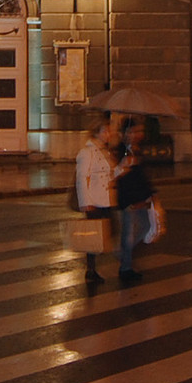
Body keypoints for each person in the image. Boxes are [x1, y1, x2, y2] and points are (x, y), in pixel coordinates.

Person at [73, 113, 120, 284]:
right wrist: (85, 202)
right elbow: (81, 178)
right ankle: (90, 270)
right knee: (93, 237)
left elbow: (111, 172)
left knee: (108, 233)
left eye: (109, 131)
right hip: (94, 201)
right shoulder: (87, 153)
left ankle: (96, 267)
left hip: (106, 199)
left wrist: (122, 168)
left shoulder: (104, 151)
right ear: (97, 132)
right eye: (105, 131)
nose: (109, 134)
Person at [113, 119, 157, 282]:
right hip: (128, 200)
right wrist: (124, 165)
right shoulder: (120, 151)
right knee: (128, 234)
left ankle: (124, 254)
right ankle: (125, 267)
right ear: (125, 134)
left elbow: (141, 176)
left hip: (141, 197)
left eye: (139, 131)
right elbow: (118, 177)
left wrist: (150, 193)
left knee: (145, 227)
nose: (138, 135)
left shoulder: (136, 150)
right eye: (134, 132)